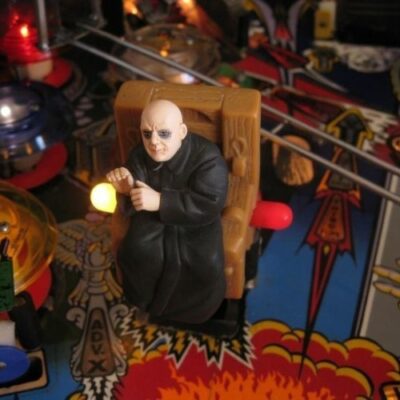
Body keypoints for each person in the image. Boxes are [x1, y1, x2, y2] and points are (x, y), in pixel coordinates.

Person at [107, 99, 228, 324]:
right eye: (147, 134)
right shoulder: (140, 154)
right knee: (137, 251)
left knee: (206, 264)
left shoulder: (208, 158)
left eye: (164, 133)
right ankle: (146, 304)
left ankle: (196, 313)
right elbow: (134, 178)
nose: (154, 142)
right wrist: (127, 186)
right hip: (151, 221)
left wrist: (162, 202)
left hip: (196, 225)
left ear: (181, 132)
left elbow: (210, 202)